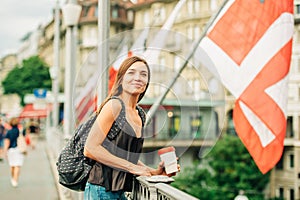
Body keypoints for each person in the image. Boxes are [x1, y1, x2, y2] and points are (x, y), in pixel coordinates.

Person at [84, 56, 179, 199]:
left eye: (143, 74)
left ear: (147, 82)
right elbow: (90, 148)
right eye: (131, 72)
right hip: (101, 190)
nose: (138, 78)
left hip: (120, 192)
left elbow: (124, 156)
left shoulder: (140, 114)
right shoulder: (114, 105)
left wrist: (155, 172)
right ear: (121, 78)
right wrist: (132, 168)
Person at [4, 117, 25, 187]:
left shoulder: (8, 132)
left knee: (12, 165)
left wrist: (5, 152)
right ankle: (15, 180)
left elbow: (7, 142)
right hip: (19, 150)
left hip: (11, 150)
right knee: (17, 166)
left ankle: (13, 178)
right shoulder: (20, 131)